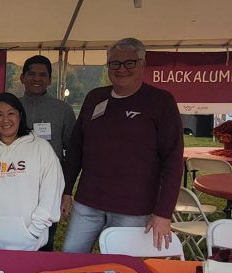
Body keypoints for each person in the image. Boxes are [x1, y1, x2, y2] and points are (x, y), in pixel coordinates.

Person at [61, 37, 184, 253]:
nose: (121, 69)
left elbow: (173, 161)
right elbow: (75, 149)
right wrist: (66, 189)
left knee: (121, 269)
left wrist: (163, 213)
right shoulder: (95, 98)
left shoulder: (161, 102)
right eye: (114, 63)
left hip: (133, 208)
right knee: (70, 256)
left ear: (143, 64)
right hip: (88, 202)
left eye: (129, 63)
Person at [0, 92, 63, 251]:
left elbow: (52, 190)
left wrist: (34, 231)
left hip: (30, 244)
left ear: (20, 116)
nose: (5, 120)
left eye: (11, 113)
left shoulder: (40, 147)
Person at [18, 55, 76, 251]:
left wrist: (66, 191)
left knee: (44, 242)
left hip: (50, 188)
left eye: (43, 75)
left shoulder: (63, 110)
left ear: (50, 80)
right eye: (32, 74)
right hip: (16, 185)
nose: (37, 78)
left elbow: (72, 154)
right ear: (22, 77)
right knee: (15, 239)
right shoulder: (11, 108)